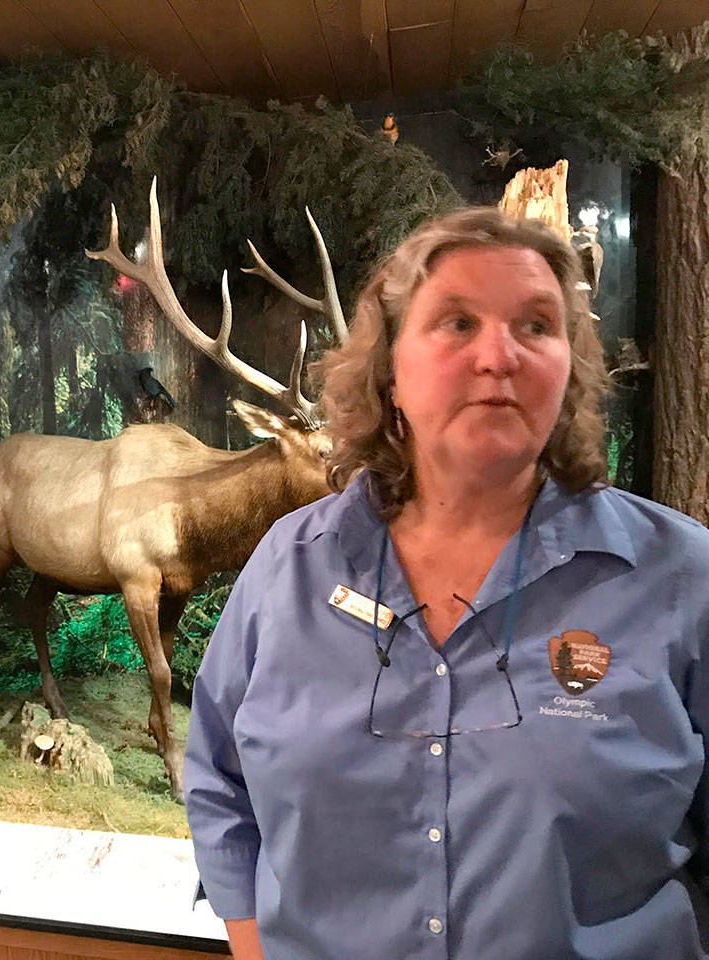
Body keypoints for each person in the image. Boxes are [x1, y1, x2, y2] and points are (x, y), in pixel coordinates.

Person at [184, 207, 709, 959]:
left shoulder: (680, 580)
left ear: (569, 367)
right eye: (457, 323)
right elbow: (218, 780)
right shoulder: (289, 568)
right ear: (390, 371)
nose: (500, 355)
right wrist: (252, 944)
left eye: (536, 325)